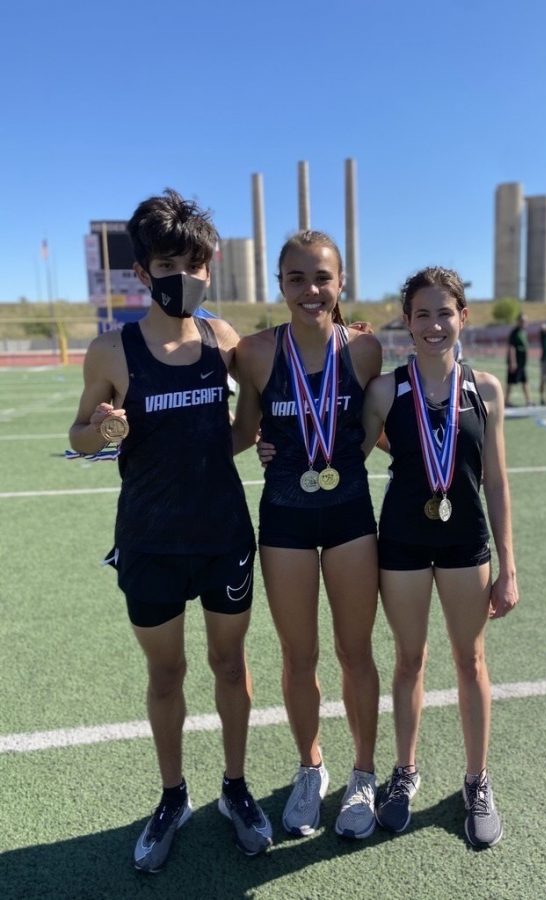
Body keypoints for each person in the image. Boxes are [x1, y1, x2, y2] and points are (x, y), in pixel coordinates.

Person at [69, 189, 272, 871]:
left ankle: (235, 788)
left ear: (208, 267)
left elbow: (246, 424)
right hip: (150, 541)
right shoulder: (111, 350)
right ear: (141, 272)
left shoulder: (224, 342)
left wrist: (244, 444)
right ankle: (172, 794)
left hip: (221, 536)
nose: (179, 275)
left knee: (227, 665)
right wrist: (100, 430)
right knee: (166, 673)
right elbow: (80, 437)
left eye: (192, 262)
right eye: (165, 263)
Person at [361, 266, 519, 846]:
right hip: (400, 541)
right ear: (407, 322)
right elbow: (343, 451)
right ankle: (404, 773)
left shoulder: (486, 389)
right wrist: (280, 445)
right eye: (421, 314)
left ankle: (477, 779)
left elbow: (497, 482)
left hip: (464, 542)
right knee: (409, 660)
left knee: (470, 660)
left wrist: (509, 566)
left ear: (462, 317)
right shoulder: (385, 389)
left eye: (443, 312)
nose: (433, 324)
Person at [234, 230, 382, 840]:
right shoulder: (256, 352)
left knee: (355, 652)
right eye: (297, 279)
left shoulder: (365, 351)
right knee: (300, 655)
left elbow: (380, 423)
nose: (311, 290)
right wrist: (159, 449)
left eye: (322, 278)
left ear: (340, 283)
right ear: (281, 286)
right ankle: (309, 767)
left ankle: (365, 774)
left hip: (349, 513)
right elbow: (242, 430)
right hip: (286, 519)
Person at [504, 313, 531, 406]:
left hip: (522, 362)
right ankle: (506, 401)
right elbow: (511, 348)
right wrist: (513, 362)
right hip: (515, 362)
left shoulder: (524, 332)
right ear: (518, 321)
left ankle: (528, 400)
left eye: (525, 321)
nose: (524, 323)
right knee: (510, 382)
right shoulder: (514, 333)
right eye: (522, 321)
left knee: (525, 381)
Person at [538, 322, 546, 405]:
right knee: (544, 380)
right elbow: (542, 328)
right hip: (545, 360)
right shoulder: (544, 336)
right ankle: (543, 397)